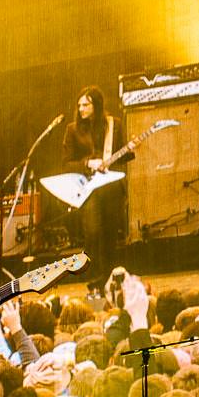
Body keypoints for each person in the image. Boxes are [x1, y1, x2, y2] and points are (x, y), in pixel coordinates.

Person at [56, 84, 132, 276]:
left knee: (111, 233)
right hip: (88, 189)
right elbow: (66, 164)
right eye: (79, 105)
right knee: (93, 231)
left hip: (111, 187)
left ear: (96, 106)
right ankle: (95, 275)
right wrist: (89, 162)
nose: (81, 109)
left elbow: (122, 156)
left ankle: (109, 276)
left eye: (86, 105)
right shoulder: (72, 130)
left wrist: (129, 150)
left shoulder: (114, 124)